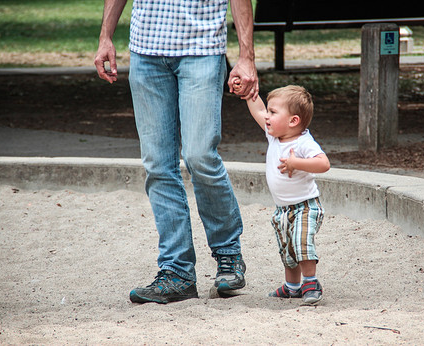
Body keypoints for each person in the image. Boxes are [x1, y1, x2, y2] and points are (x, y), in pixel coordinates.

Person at [94, 0, 259, 304]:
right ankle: (177, 272)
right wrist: (106, 36)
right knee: (158, 165)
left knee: (199, 156)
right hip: (146, 51)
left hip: (202, 48)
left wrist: (246, 57)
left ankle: (228, 255)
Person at [236, 83, 330, 305]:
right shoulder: (274, 136)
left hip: (305, 207)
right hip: (282, 210)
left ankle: (311, 282)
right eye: (268, 111)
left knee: (301, 243)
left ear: (293, 121)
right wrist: (250, 94)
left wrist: (296, 162)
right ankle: (292, 287)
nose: (266, 116)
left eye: (273, 112)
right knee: (287, 250)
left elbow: (324, 164)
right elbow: (257, 110)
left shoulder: (304, 142)